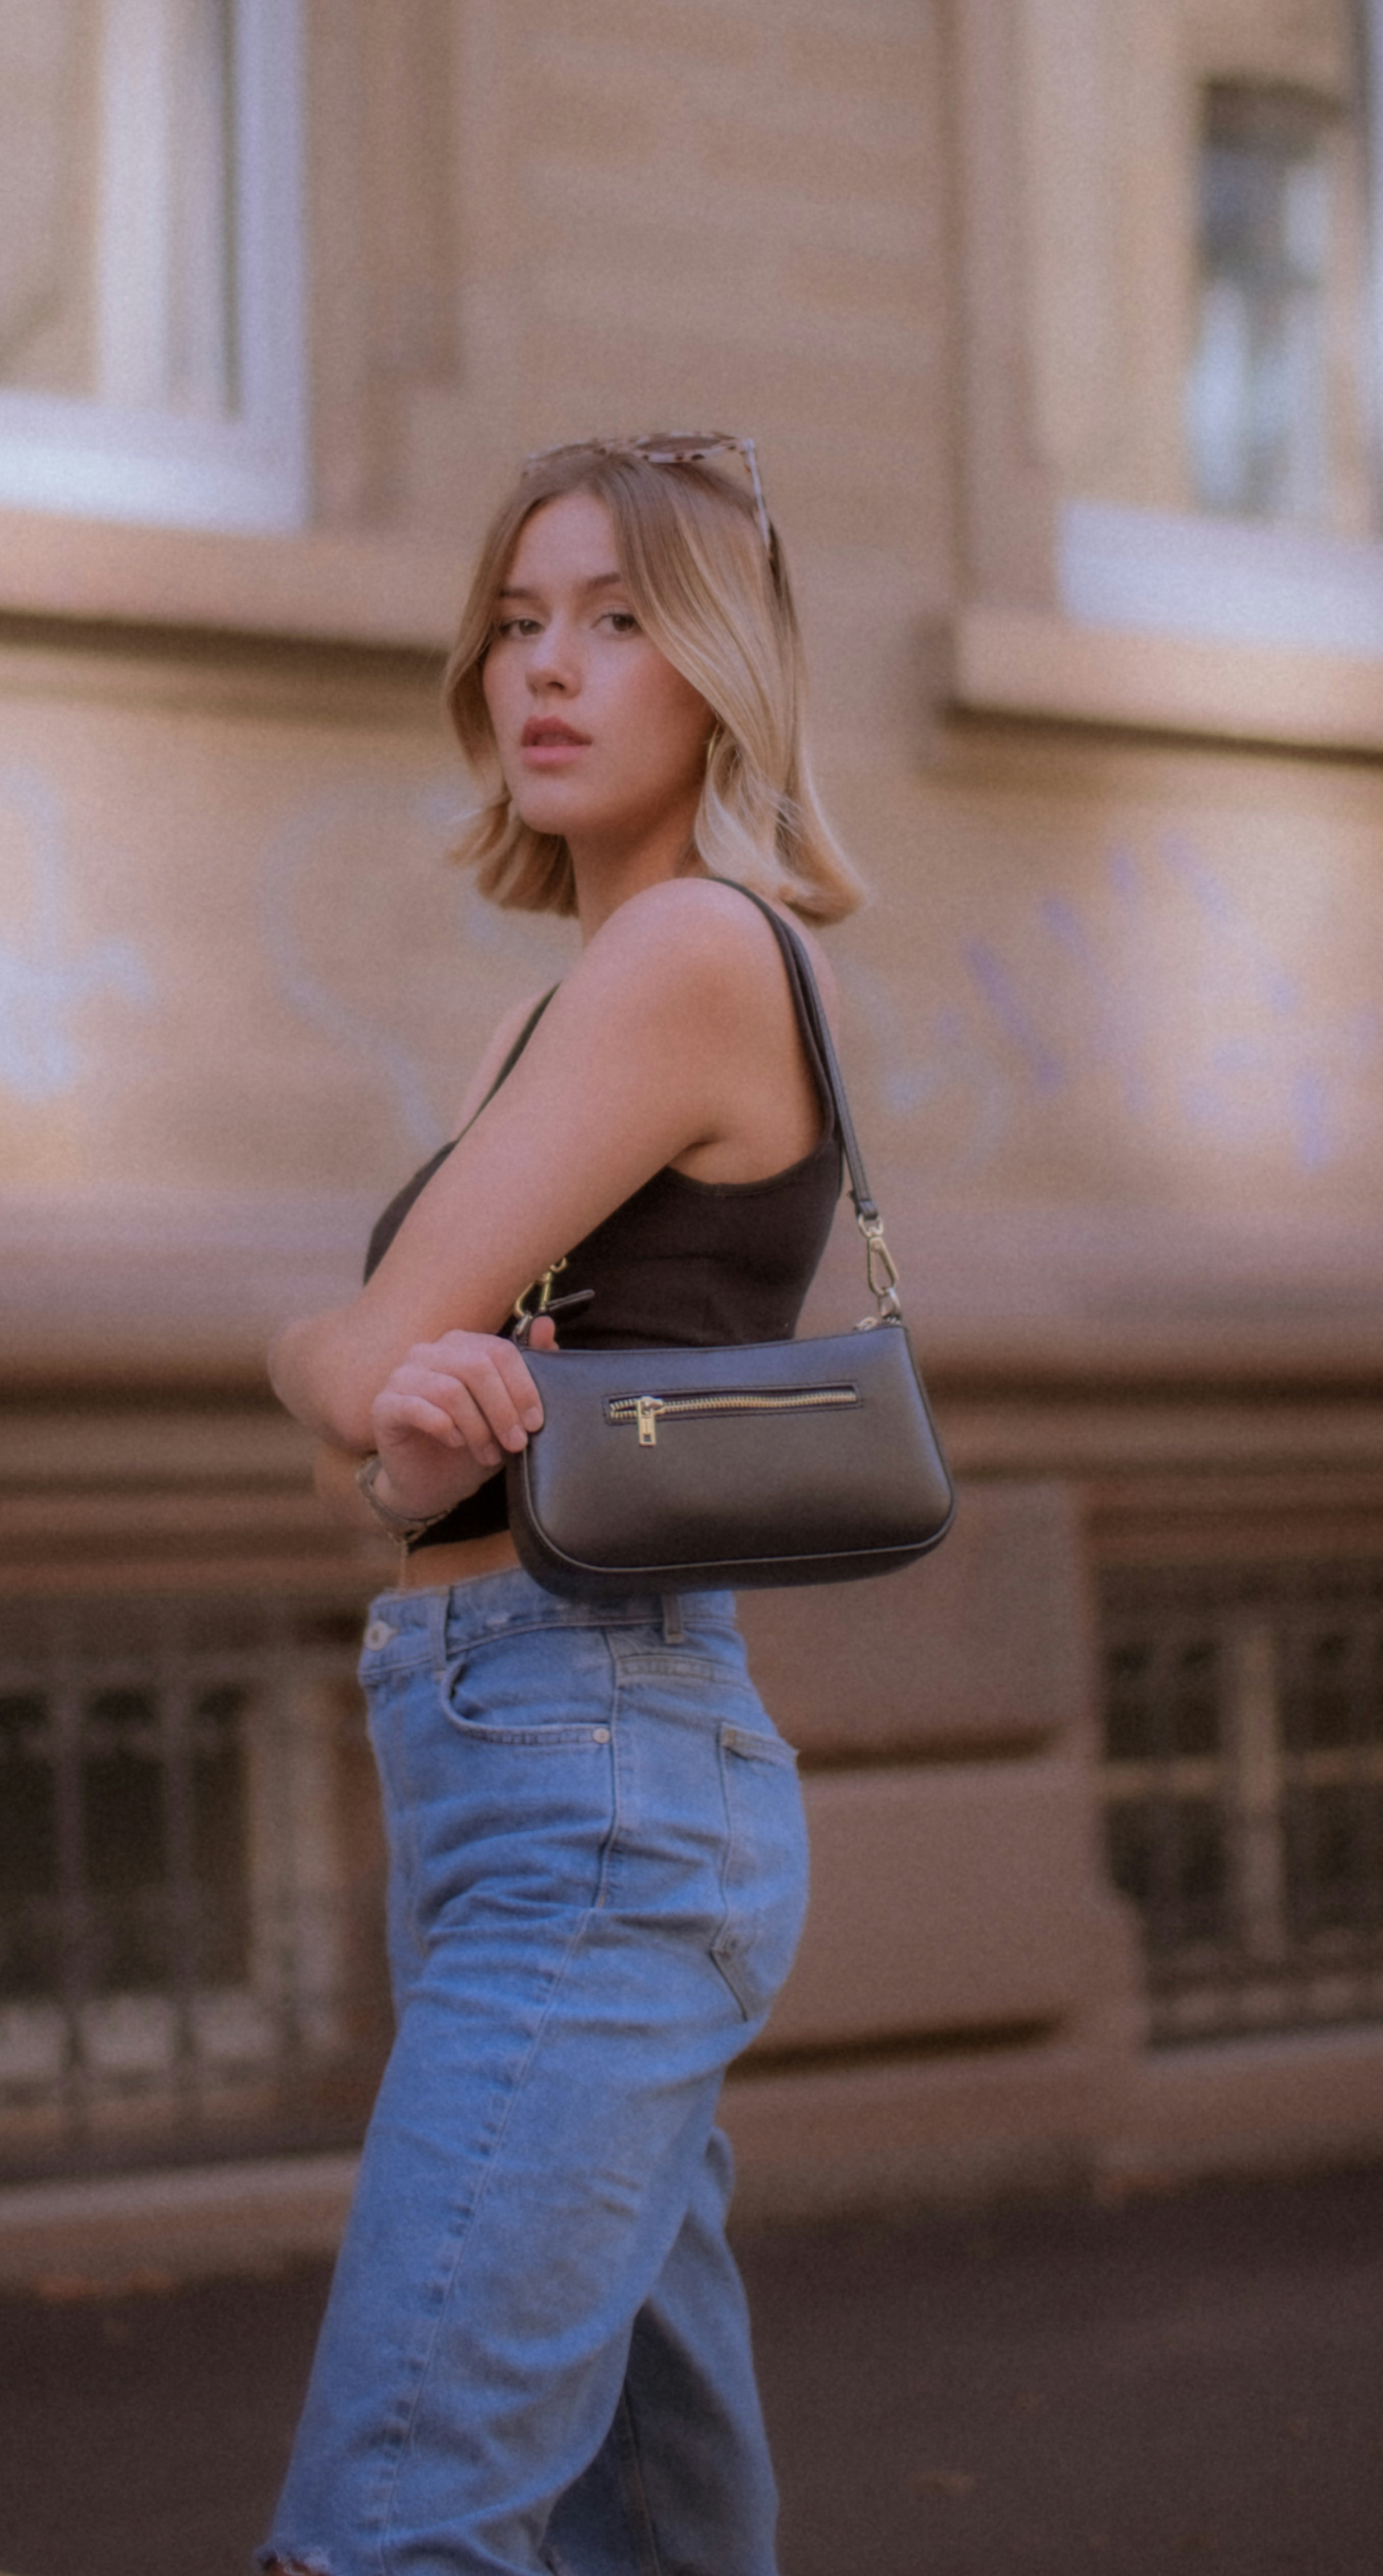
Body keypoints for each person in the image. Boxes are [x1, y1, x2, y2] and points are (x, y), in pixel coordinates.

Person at [262, 431, 865, 2576]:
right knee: (651, 2522)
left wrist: (365, 1375)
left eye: (619, 621)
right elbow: (352, 1373)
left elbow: (345, 1338)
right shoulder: (587, 992)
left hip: (586, 1764)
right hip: (545, 1755)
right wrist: (378, 1396)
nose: (551, 668)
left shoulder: (692, 951)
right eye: (521, 621)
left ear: (720, 676)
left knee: (398, 2521)